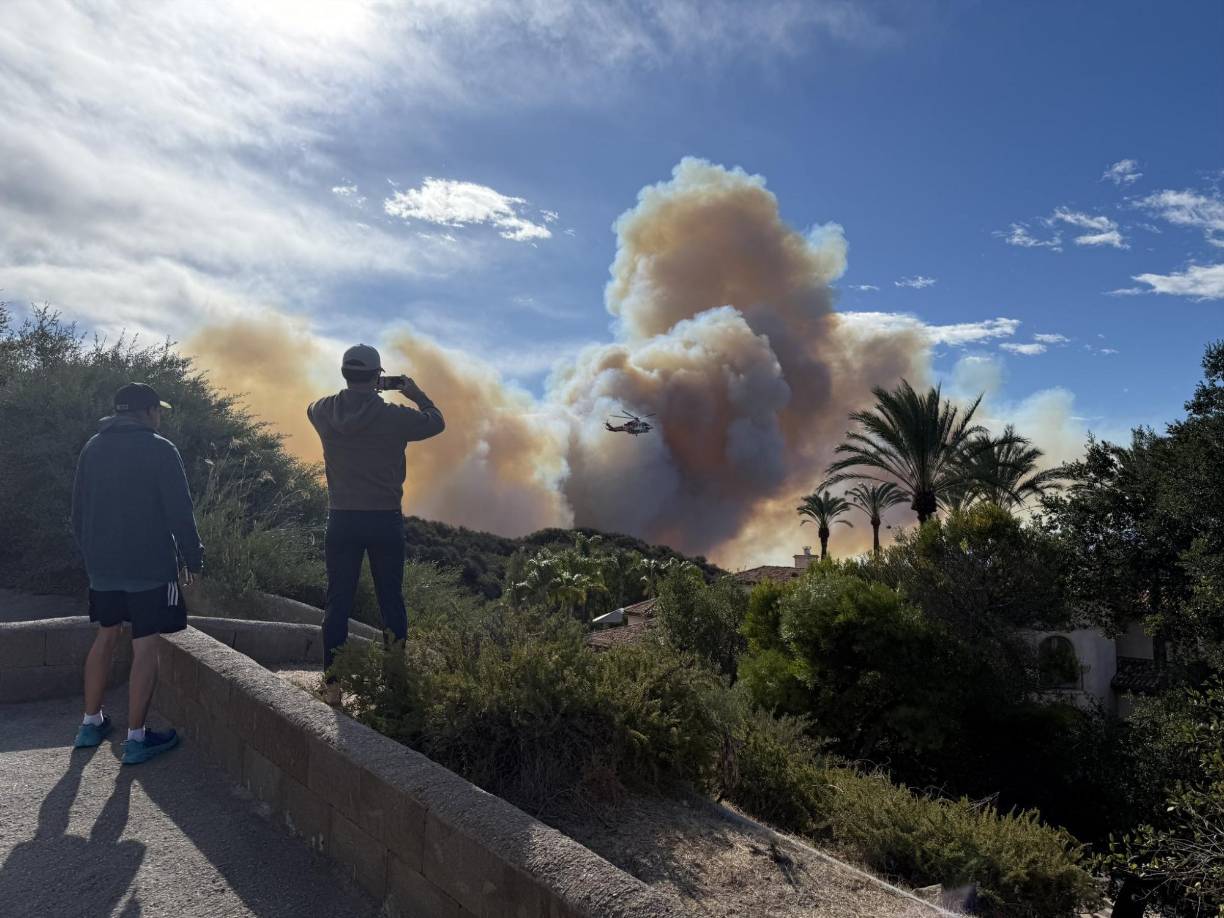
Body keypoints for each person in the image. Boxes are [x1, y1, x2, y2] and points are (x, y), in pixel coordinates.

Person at [70, 382, 204, 764]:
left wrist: (94, 556)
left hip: (103, 567)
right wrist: (193, 559)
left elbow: (77, 513)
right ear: (146, 412)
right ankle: (136, 739)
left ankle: (89, 723)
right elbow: (180, 513)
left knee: (106, 634)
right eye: (157, 411)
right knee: (145, 643)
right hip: (149, 567)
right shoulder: (161, 449)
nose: (159, 417)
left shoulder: (92, 448)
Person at [307, 344, 444, 704]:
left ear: (343, 373)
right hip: (384, 519)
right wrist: (416, 394)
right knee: (391, 602)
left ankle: (333, 685)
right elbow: (436, 421)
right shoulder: (395, 417)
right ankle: (395, 686)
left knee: (337, 601)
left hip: (341, 518)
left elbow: (309, 408)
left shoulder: (323, 411)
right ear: (378, 377)